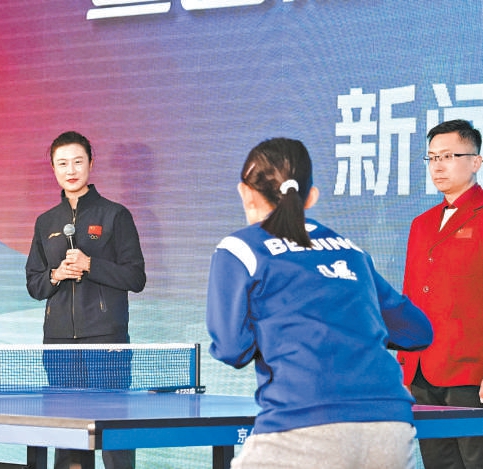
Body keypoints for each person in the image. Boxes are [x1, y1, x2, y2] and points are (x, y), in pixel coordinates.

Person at [206, 138, 433, 469]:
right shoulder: (351, 251)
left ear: (245, 192)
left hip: (302, 422)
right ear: (311, 196)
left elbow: (232, 348)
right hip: (390, 427)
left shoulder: (239, 249)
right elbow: (418, 331)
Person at [25, 131, 145, 469]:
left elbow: (136, 277)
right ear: (53, 168)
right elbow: (34, 284)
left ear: (91, 163)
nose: (71, 170)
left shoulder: (115, 215)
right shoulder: (45, 222)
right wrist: (56, 275)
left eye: (78, 161)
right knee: (68, 438)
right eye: (62, 163)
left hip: (106, 341)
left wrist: (91, 265)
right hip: (59, 344)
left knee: (114, 435)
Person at [397, 119, 483, 469]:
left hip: (469, 372)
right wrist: (404, 370)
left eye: (448, 156)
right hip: (422, 371)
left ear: (475, 161)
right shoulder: (421, 224)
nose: (438, 166)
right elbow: (409, 301)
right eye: (432, 158)